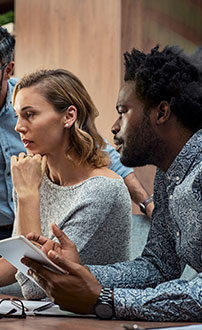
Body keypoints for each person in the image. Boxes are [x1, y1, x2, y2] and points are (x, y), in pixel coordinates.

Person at [0, 21, 152, 275]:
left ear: (7, 70)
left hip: (40, 228)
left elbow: (104, 154)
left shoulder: (33, 98)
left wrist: (147, 202)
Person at [23, 45, 202, 321]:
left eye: (123, 112)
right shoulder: (167, 177)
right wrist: (80, 272)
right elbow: (158, 267)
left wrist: (105, 299)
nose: (115, 127)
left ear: (161, 112)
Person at [0, 69, 132, 299]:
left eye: (30, 114)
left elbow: (35, 286)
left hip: (94, 317)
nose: (18, 127)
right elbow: (19, 257)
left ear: (69, 116)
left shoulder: (102, 189)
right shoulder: (35, 175)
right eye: (17, 116)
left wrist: (27, 195)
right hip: (51, 313)